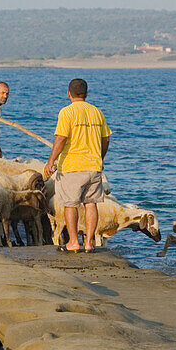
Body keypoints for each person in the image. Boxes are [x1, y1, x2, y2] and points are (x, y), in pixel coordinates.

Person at [43, 78, 111, 252]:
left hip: (72, 167)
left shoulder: (67, 112)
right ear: (86, 94)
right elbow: (106, 139)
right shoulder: (97, 112)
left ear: (68, 94)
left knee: (70, 204)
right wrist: (99, 157)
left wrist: (51, 160)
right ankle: (89, 243)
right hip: (94, 166)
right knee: (91, 204)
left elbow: (61, 138)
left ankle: (73, 242)